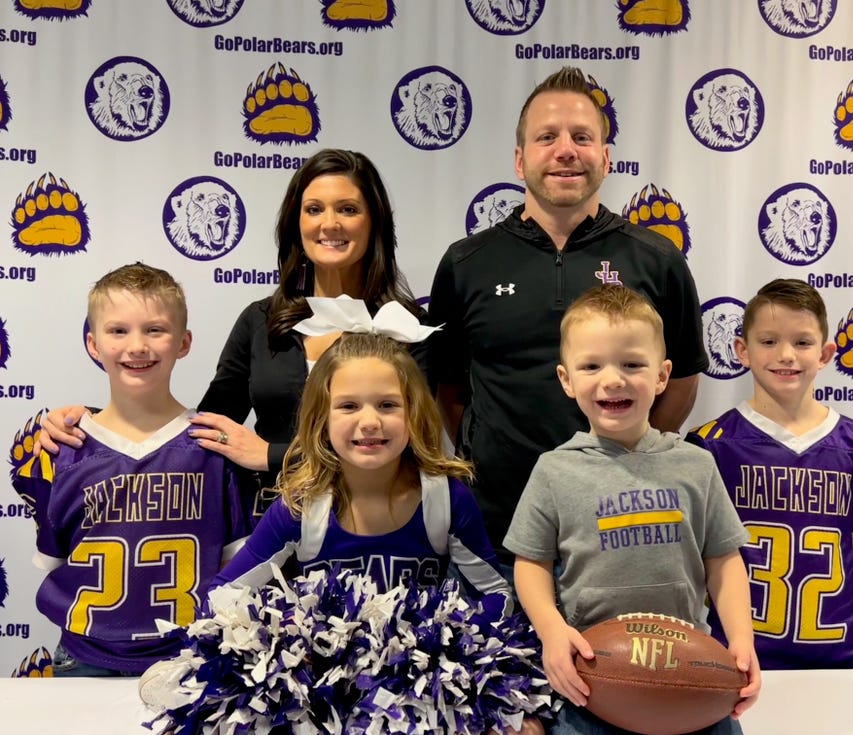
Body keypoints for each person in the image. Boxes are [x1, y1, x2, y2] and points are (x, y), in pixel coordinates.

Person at [144, 300, 546, 735]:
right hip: (320, 695)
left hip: (413, 694)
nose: (369, 422)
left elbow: (499, 599)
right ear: (321, 419)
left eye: (388, 405)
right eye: (349, 406)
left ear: (414, 414)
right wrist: (279, 645)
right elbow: (220, 596)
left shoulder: (444, 499)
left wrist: (456, 651)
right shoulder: (301, 506)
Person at [36, 149, 427, 523]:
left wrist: (271, 455)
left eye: (348, 209)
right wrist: (95, 425)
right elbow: (205, 426)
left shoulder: (407, 327)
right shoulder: (261, 320)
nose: (329, 224)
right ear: (296, 223)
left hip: (381, 532)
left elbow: (415, 448)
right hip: (275, 531)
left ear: (374, 221)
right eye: (313, 210)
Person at [426, 66, 708, 566]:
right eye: (546, 137)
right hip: (498, 530)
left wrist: (626, 461)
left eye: (582, 137)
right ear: (520, 159)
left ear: (605, 157)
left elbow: (681, 378)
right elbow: (449, 388)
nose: (565, 150)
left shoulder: (657, 260)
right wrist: (485, 450)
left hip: (620, 528)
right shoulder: (466, 264)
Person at [503, 284, 760, 735]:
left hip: (690, 678)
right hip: (591, 680)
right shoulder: (554, 470)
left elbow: (723, 560)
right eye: (591, 366)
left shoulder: (696, 464)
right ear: (566, 380)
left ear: (662, 376)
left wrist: (740, 640)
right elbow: (531, 563)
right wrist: (551, 631)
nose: (613, 379)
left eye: (632, 364)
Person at [13, 263, 249, 676]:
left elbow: (236, 569)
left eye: (155, 330)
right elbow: (55, 565)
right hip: (84, 657)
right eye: (118, 331)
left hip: (191, 661)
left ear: (184, 342)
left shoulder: (215, 448)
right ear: (93, 343)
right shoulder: (61, 451)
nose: (137, 346)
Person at [686, 278, 853, 670]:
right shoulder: (710, 445)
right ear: (742, 350)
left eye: (802, 342)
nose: (786, 354)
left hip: (835, 658)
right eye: (768, 341)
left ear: (826, 353)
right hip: (736, 657)